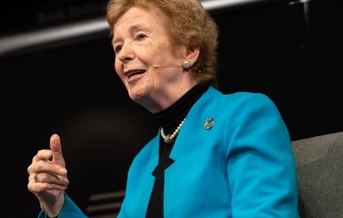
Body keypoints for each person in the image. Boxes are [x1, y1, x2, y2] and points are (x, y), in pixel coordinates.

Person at [27, 0, 300, 217]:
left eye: (140, 36)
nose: (123, 54)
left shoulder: (244, 116)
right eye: (118, 46)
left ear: (189, 50)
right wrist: (56, 204)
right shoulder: (142, 163)